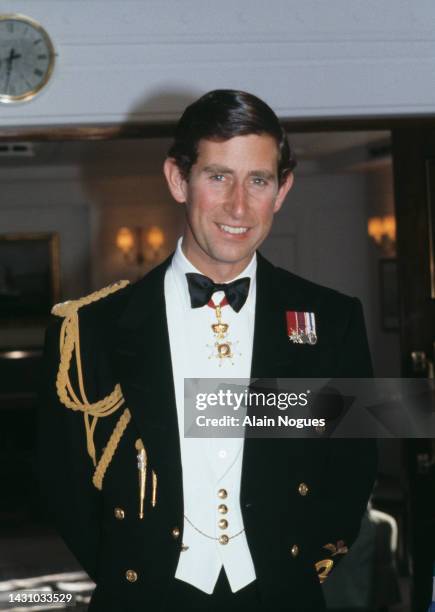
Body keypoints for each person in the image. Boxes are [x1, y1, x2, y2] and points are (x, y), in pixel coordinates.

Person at [38, 89, 377, 611]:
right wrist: (131, 568)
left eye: (258, 180)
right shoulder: (90, 328)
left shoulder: (331, 320)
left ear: (282, 189)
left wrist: (296, 564)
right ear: (178, 179)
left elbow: (352, 467)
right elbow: (64, 484)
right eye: (218, 176)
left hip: (280, 594)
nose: (238, 206)